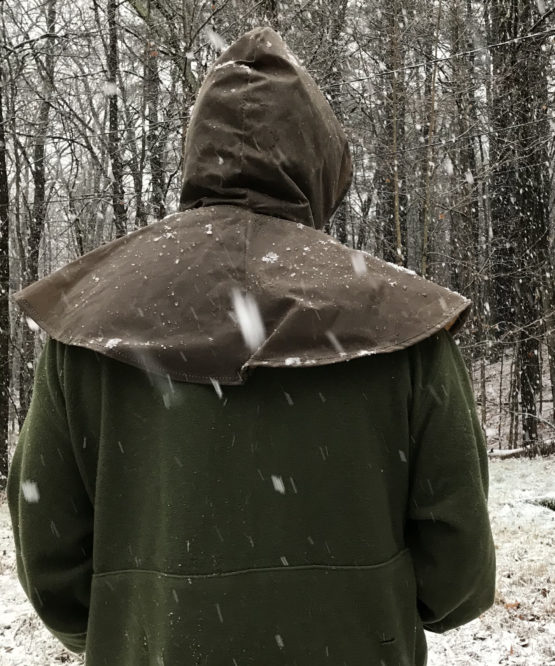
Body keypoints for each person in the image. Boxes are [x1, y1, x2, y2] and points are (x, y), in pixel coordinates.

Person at [8, 27, 495, 666]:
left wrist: (142, 625)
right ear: (319, 164)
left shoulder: (90, 322)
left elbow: (51, 569)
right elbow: (456, 575)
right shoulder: (400, 321)